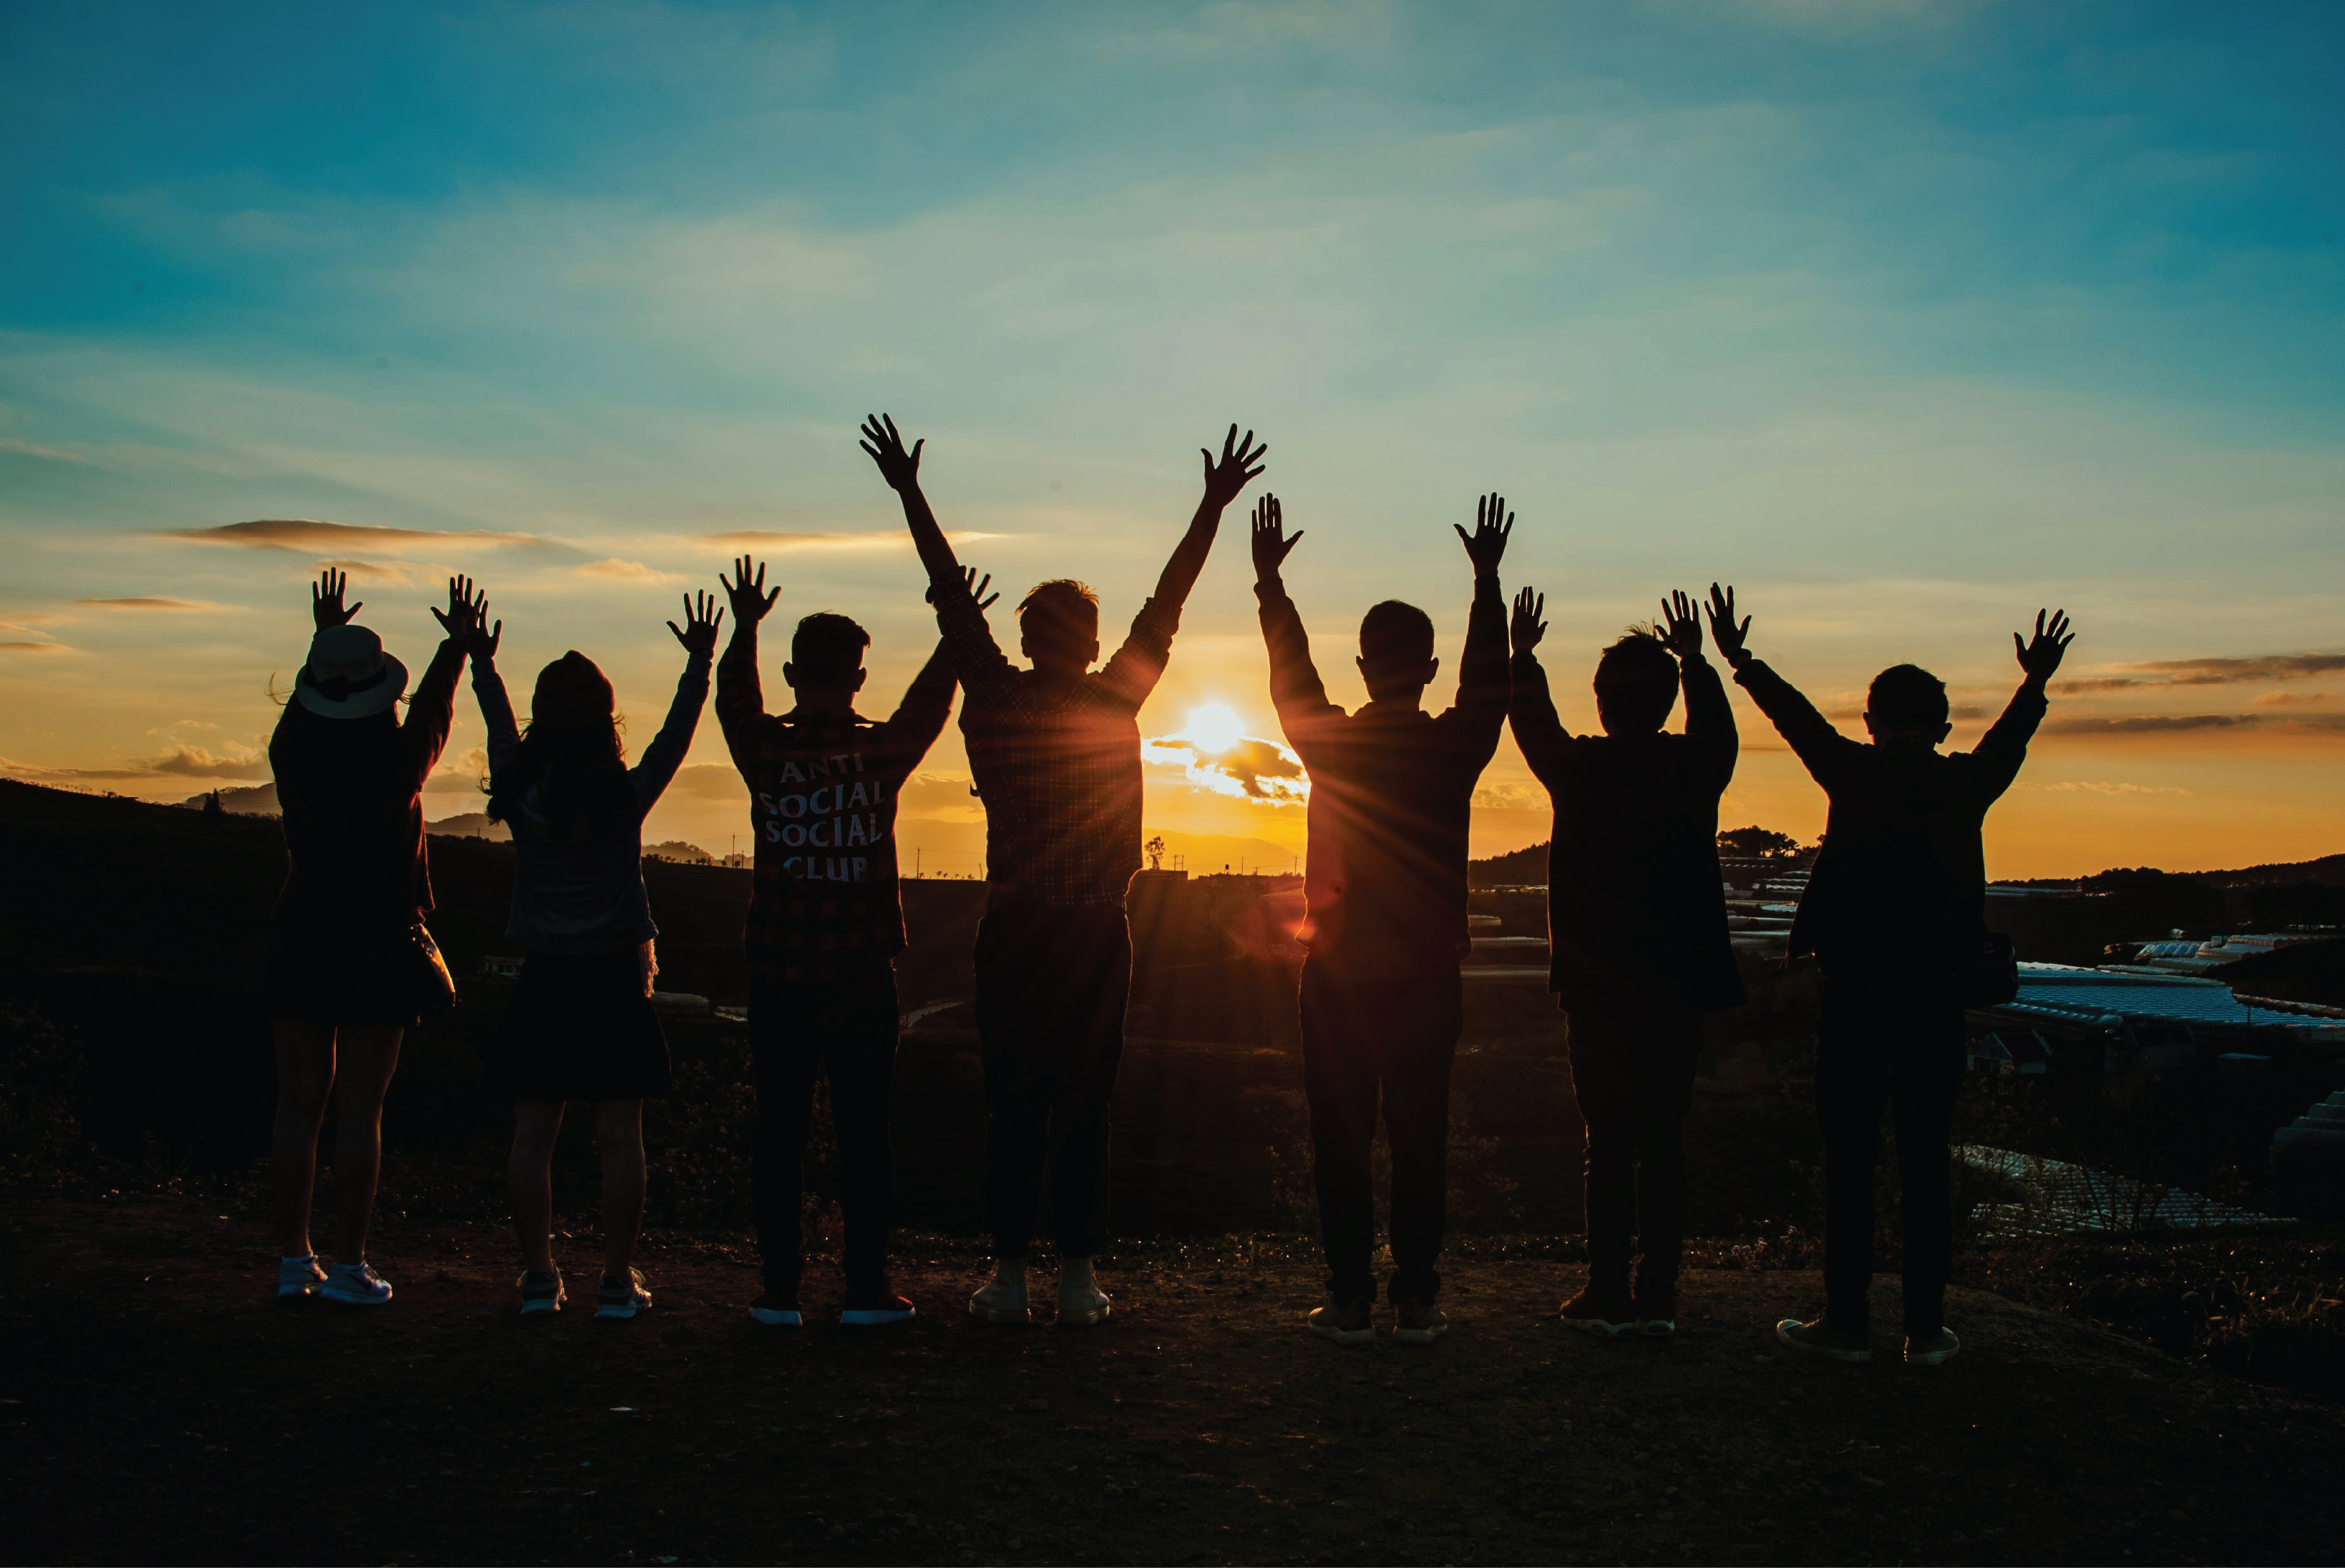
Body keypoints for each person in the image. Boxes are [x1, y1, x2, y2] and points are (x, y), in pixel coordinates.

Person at [860, 411, 1267, 1328]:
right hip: (1092, 932)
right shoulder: (1114, 694)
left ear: (1028, 634)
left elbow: (947, 593)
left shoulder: (995, 695)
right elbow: (1169, 598)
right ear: (1087, 640)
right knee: (1085, 1102)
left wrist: (909, 491)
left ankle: (1006, 1278)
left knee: (1013, 1103)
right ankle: (1078, 1279)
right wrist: (1209, 504)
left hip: (1013, 928)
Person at [1712, 586, 2074, 1366]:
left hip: (1853, 995)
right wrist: (2033, 681)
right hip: (1934, 997)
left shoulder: (1850, 772)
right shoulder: (1962, 783)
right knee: (1924, 1156)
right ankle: (1923, 1327)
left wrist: (1742, 660)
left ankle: (1844, 1321)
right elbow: (2009, 739)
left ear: (1869, 721)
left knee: (1847, 1158)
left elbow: (1795, 718)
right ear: (1942, 725)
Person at [1251, 490, 1511, 1346]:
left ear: (1362, 667)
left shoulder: (1331, 743)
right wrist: (1485, 584)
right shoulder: (1452, 747)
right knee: (1419, 1138)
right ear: (1426, 667)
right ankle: (1419, 1299)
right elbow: (1488, 687)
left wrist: (1270, 589)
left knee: (1340, 1138)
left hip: (1334, 975)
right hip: (1428, 976)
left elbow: (1292, 681)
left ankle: (1352, 1298)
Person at [714, 554, 972, 1329]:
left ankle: (778, 1291)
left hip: (779, 973)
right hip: (862, 974)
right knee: (865, 1135)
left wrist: (744, 628)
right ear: (859, 678)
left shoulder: (764, 754)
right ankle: (864, 1289)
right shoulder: (879, 754)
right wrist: (952, 628)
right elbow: (931, 704)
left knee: (780, 1133)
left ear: (793, 673)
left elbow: (733, 699)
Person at [466, 591, 721, 1319]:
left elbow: (498, 725)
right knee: (619, 1135)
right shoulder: (625, 797)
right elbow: (674, 736)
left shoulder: (520, 793)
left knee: (533, 1133)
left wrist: (482, 661)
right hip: (614, 978)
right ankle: (616, 1279)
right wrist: (698, 664)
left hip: (544, 977)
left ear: (545, 719)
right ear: (605, 720)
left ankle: (539, 1280)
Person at [1508, 588, 1741, 1339]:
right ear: (1668, 701)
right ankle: (1659, 1297)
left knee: (1604, 1142)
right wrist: (1697, 662)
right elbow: (1717, 730)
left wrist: (1522, 657)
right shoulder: (1695, 767)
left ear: (1603, 703)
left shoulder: (1579, 770)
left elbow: (1531, 723)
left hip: (1597, 984)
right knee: (1664, 1140)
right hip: (1677, 984)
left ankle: (1605, 1292)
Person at [267, 570, 484, 1306]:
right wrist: (456, 644)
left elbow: (317, 706)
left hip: (302, 929)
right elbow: (432, 711)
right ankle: (350, 1260)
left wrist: (323, 637)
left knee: (298, 1106)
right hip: (379, 938)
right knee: (362, 1108)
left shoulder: (291, 750)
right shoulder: (397, 764)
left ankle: (294, 1261)